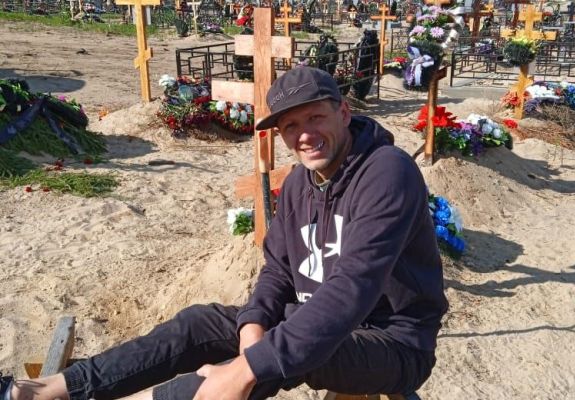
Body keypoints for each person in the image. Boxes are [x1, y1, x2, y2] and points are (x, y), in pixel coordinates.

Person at [1, 67, 448, 400]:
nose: (304, 135)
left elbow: (351, 289)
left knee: (259, 366)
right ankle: (52, 390)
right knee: (202, 322)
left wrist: (245, 366)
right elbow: (278, 269)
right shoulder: (299, 182)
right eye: (291, 126)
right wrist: (254, 322)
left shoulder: (387, 172)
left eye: (315, 118)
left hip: (393, 341)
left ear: (344, 113)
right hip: (308, 320)